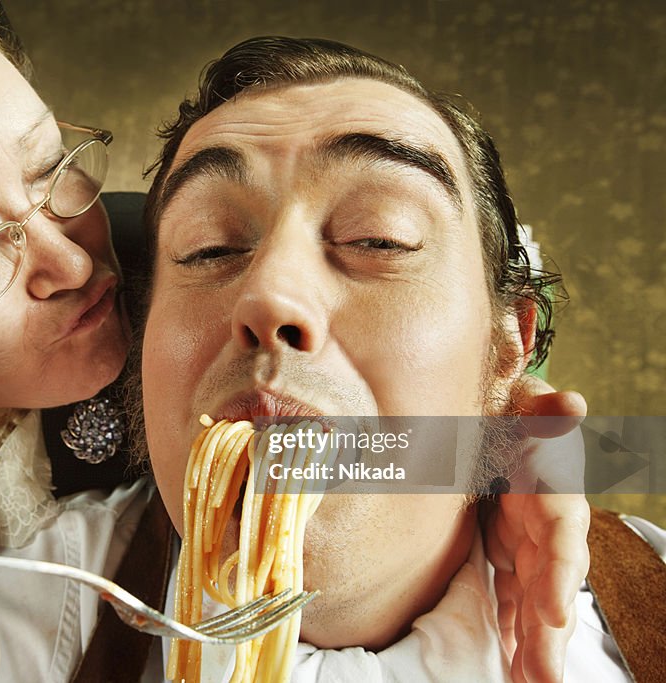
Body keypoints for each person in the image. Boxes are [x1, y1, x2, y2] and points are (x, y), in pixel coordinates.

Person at [0, 2, 592, 679]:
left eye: (52, 168)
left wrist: (493, 447)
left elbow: (465, 301)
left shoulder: (165, 254)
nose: (75, 256)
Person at [135, 35, 665, 682]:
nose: (271, 295)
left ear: (508, 351)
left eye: (379, 236)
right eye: (209, 247)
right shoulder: (13, 613)